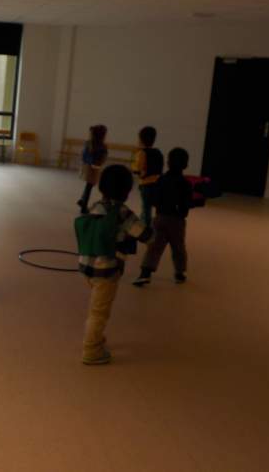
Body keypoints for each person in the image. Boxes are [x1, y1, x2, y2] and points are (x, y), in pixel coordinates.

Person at [75, 164, 153, 365]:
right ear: (127, 191)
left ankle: (97, 339)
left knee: (96, 305)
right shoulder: (123, 213)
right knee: (99, 312)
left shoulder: (94, 206)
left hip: (86, 266)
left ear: (101, 188)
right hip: (106, 271)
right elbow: (147, 236)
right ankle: (91, 351)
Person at [133, 148, 193, 287]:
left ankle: (145, 273)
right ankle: (180, 272)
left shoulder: (161, 180)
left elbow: (154, 199)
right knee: (178, 248)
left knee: (154, 247)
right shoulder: (186, 184)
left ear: (168, 162)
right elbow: (187, 204)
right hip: (177, 221)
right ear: (185, 165)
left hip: (160, 218)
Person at [132, 126, 164, 227]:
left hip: (145, 184)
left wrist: (134, 166)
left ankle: (146, 226)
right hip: (157, 183)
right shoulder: (158, 152)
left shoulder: (141, 153)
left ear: (141, 140)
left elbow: (137, 168)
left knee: (146, 207)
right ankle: (145, 222)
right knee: (149, 206)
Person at [77, 124, 108, 214]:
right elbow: (103, 157)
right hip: (94, 168)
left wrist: (89, 162)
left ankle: (82, 200)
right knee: (89, 187)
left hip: (87, 167)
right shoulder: (102, 145)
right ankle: (83, 206)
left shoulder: (88, 143)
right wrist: (96, 162)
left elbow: (83, 156)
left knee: (88, 185)